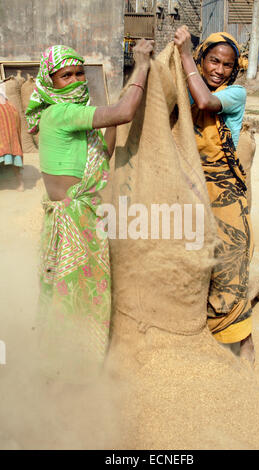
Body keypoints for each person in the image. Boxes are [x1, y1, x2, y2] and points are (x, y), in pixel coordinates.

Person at [25, 40, 154, 381]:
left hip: (78, 220)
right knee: (73, 302)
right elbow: (125, 112)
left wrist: (107, 119)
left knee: (76, 298)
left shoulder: (77, 120)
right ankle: (67, 374)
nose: (77, 79)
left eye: (80, 72)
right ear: (49, 81)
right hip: (74, 224)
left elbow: (105, 155)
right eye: (66, 75)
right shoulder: (61, 113)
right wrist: (140, 65)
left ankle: (67, 368)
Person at [174, 26, 254, 364]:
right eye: (212, 61)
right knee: (190, 261)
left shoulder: (234, 94)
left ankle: (243, 346)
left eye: (225, 65)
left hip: (224, 192)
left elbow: (206, 102)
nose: (217, 70)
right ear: (202, 59)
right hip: (189, 186)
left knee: (228, 268)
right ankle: (195, 339)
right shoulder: (184, 90)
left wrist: (183, 54)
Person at [0, 89, 24, 191]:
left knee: (10, 147)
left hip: (4, 113)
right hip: (8, 110)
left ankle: (19, 182)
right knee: (13, 147)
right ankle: (19, 183)